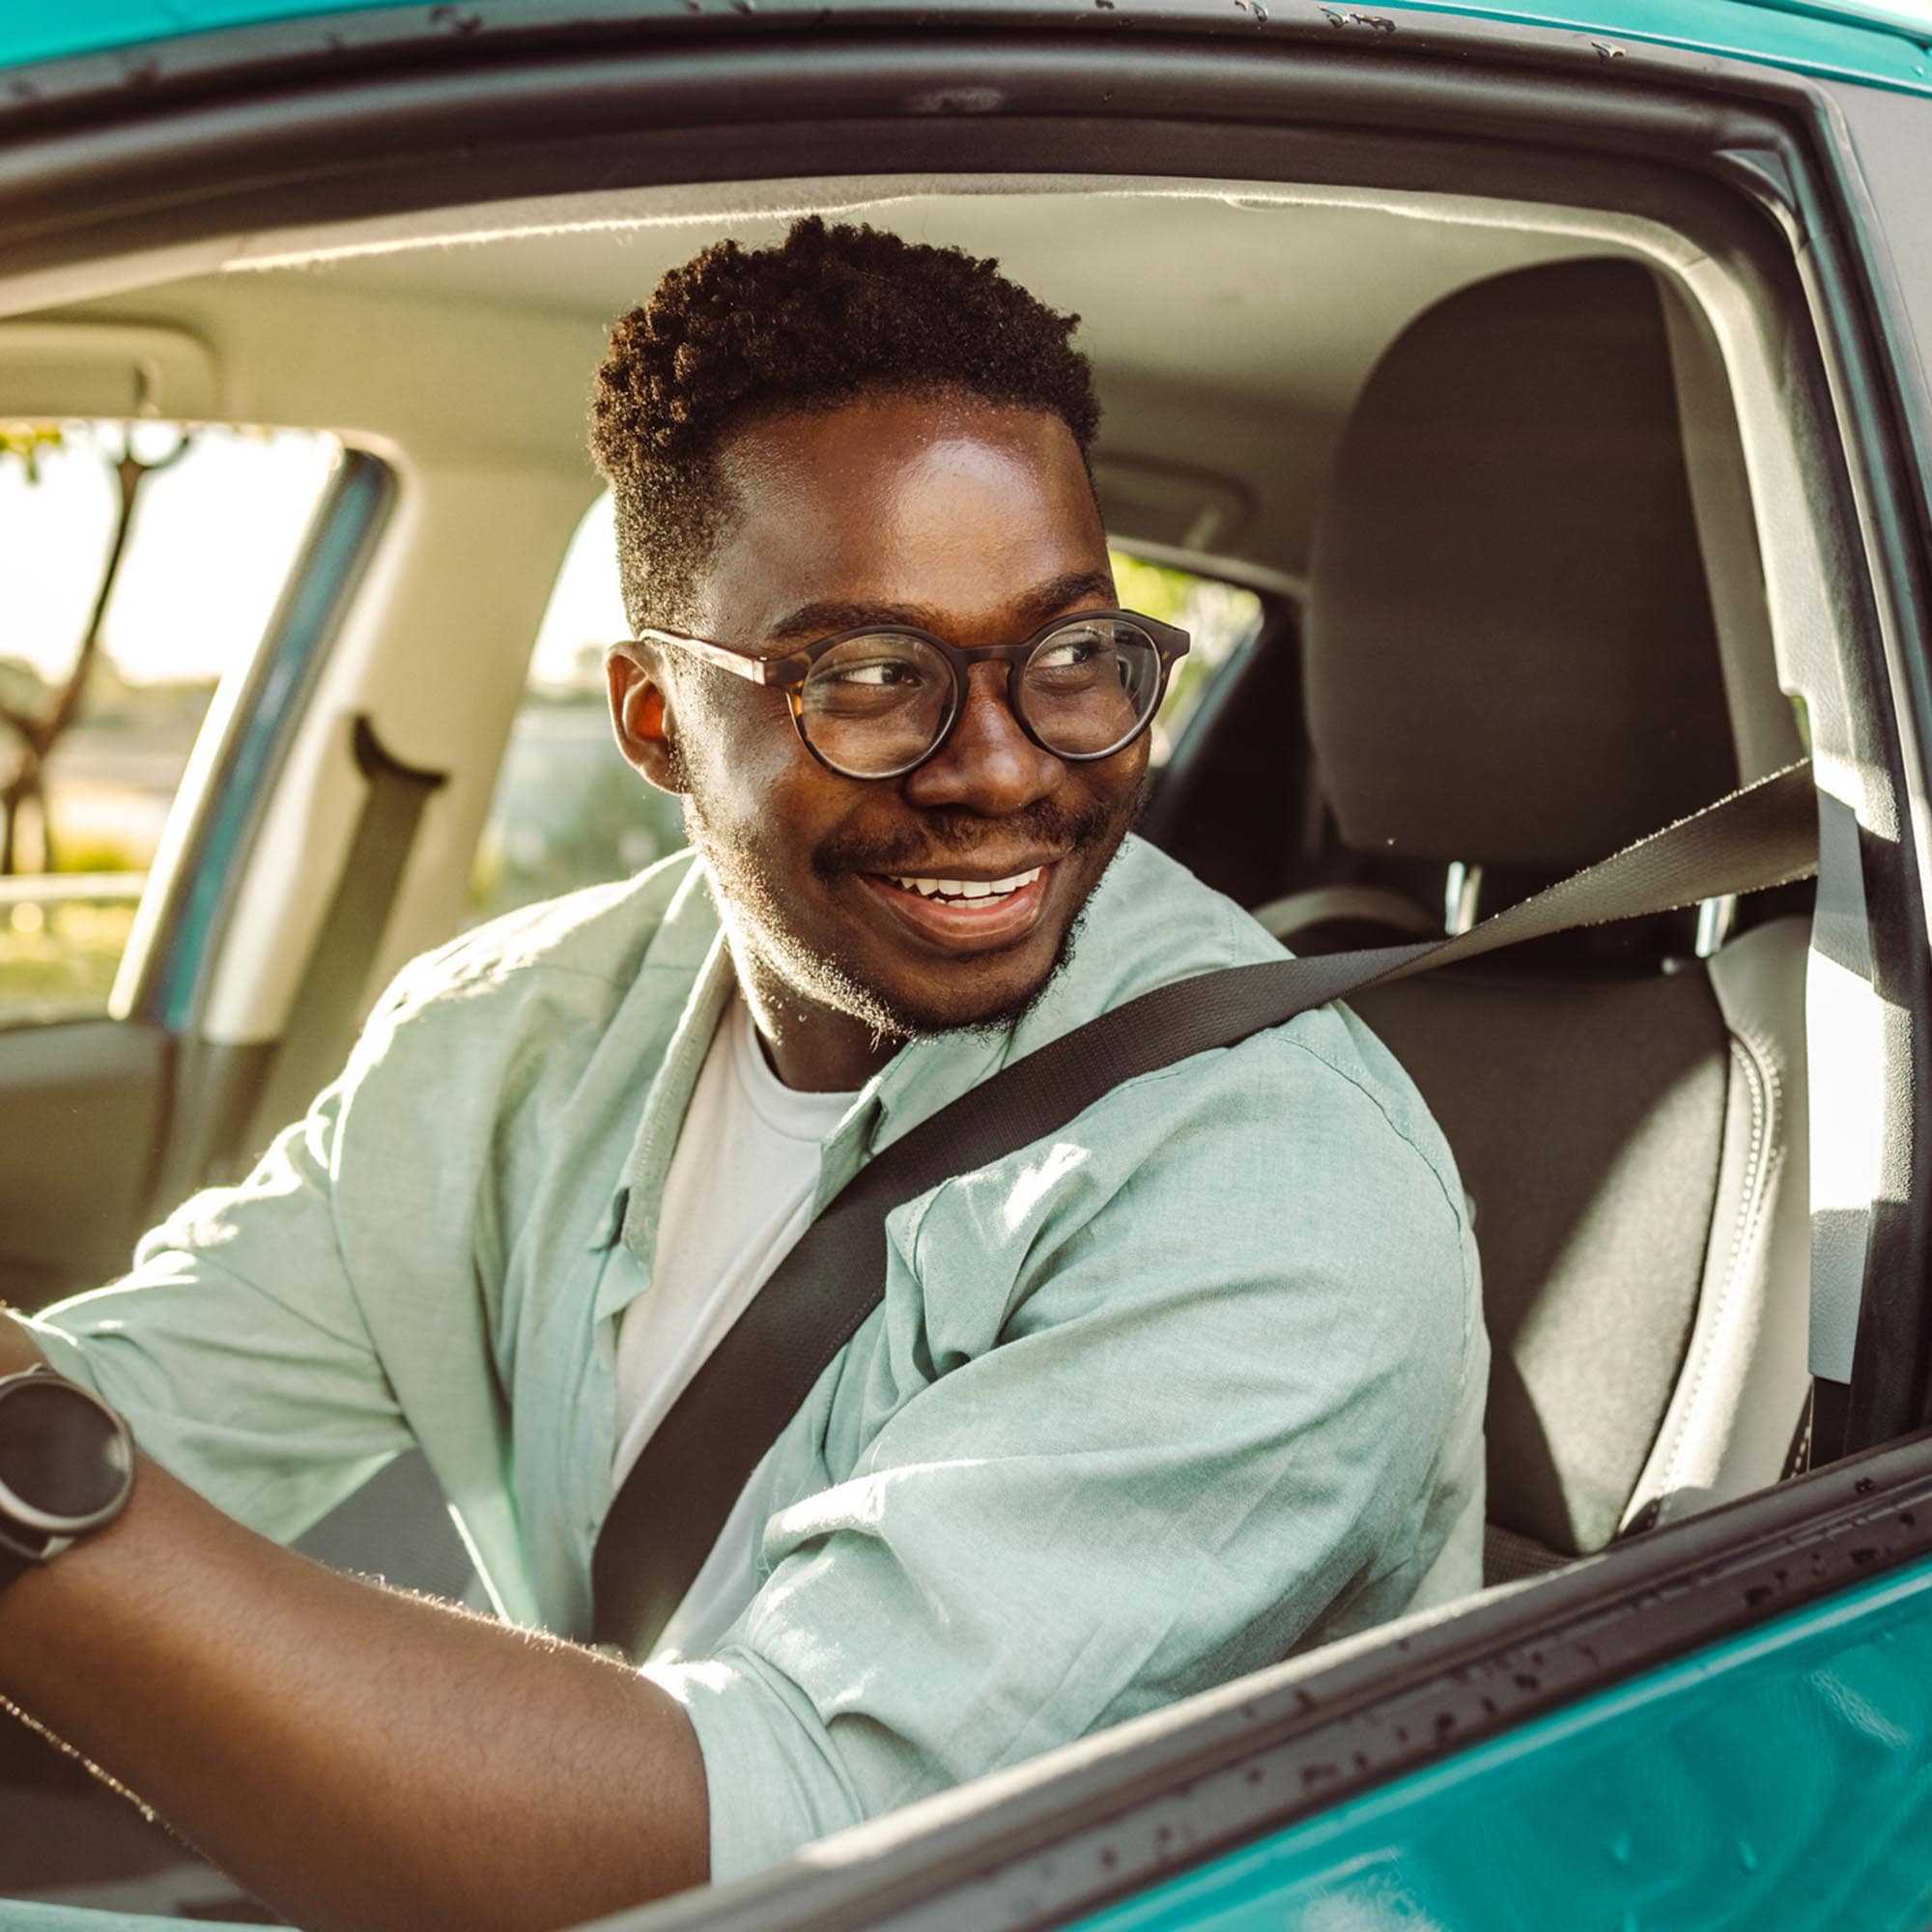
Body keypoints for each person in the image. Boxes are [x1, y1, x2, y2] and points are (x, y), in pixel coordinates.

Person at [0, 217, 1486, 1930]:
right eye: (870, 679)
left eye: (1075, 658)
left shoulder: (1283, 1185)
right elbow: (144, 1411)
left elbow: (774, 1852)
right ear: (652, 723)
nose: (1004, 772)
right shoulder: (508, 1041)